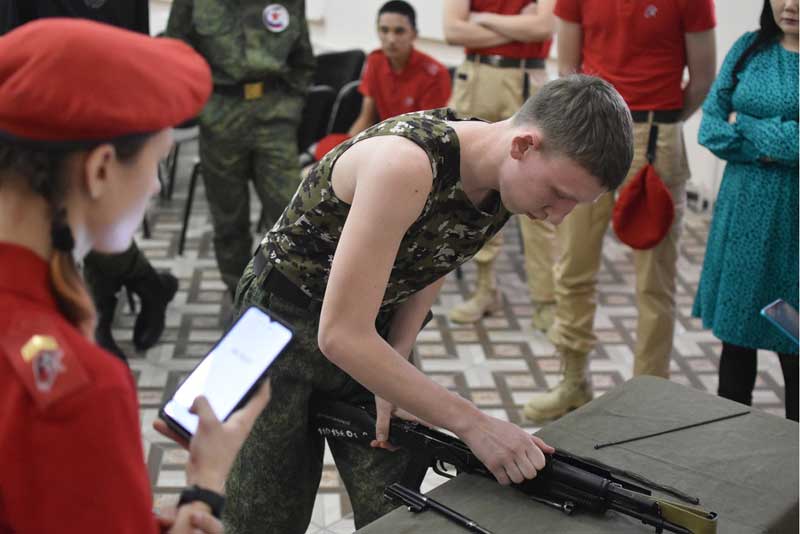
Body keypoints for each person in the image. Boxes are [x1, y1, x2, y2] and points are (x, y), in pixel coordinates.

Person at [224, 74, 634, 533]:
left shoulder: (502, 179)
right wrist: (474, 424)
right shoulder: (406, 165)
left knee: (398, 505)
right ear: (524, 146)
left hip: (371, 323)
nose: (558, 217)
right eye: (559, 195)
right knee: (264, 512)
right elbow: (338, 334)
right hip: (275, 325)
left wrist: (396, 361)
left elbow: (434, 254)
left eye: (574, 204)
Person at [0, 19, 271, 532]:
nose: (154, 187)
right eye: (158, 162)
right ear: (100, 169)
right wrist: (205, 486)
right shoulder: (80, 390)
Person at [524, 0, 717, 422]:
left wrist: (658, 122)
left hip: (656, 140)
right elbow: (569, 71)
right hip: (588, 138)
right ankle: (574, 381)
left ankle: (648, 397)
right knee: (573, 268)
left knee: (655, 280)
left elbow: (702, 79)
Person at [6, 0, 180, 364]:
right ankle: (144, 287)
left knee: (98, 219)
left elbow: (136, 43)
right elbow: (13, 42)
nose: (156, 189)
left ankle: (99, 312)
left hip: (113, 113)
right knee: (58, 226)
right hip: (45, 124)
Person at [165, 0, 315, 299]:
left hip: (275, 115)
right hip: (220, 114)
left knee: (291, 212)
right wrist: (201, 105)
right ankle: (238, 292)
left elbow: (303, 60)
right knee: (228, 216)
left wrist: (291, 105)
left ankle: (290, 296)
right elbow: (175, 50)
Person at [694, 0, 798, 421]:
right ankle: (730, 451)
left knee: (795, 342)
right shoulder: (748, 47)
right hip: (742, 215)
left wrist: (748, 128)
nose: (789, 5)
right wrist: (780, 140)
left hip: (794, 221)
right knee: (736, 343)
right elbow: (711, 128)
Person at [443, 0, 560, 333]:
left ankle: (545, 302)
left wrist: (482, 19)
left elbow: (542, 28)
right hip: (475, 77)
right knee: (473, 191)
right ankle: (484, 289)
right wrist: (514, 25)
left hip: (525, 79)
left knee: (540, 188)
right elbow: (452, 31)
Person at [347, 1, 452, 136]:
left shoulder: (435, 74)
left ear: (414, 34)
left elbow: (430, 134)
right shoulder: (375, 60)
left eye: (399, 31)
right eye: (384, 30)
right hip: (382, 138)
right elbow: (366, 119)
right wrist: (345, 150)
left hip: (416, 143)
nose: (391, 39)